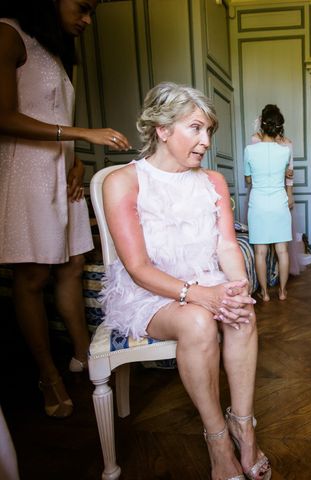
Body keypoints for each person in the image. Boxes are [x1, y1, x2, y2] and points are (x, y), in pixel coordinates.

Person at [100, 82, 271, 480]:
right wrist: (201, 297)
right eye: (195, 128)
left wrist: (239, 285)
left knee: (241, 312)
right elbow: (138, 267)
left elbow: (228, 245)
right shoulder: (123, 182)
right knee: (196, 321)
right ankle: (217, 440)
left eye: (208, 130)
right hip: (148, 292)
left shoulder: (213, 182)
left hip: (204, 279)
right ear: (162, 129)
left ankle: (244, 426)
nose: (206, 141)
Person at [0, 0, 131, 418]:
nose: (88, 20)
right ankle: (47, 375)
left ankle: (81, 354)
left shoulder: (58, 52)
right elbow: (3, 117)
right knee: (34, 273)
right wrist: (81, 134)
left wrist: (74, 157)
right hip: (26, 171)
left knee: (73, 265)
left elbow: (53, 112)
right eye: (83, 7)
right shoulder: (8, 34)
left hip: (64, 172)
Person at [244, 104, 293, 301]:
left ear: (262, 125)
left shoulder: (249, 150)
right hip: (279, 205)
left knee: (260, 252)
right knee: (282, 251)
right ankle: (282, 292)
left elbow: (248, 180)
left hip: (258, 205)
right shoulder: (285, 151)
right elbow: (286, 175)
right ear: (278, 127)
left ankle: (264, 293)